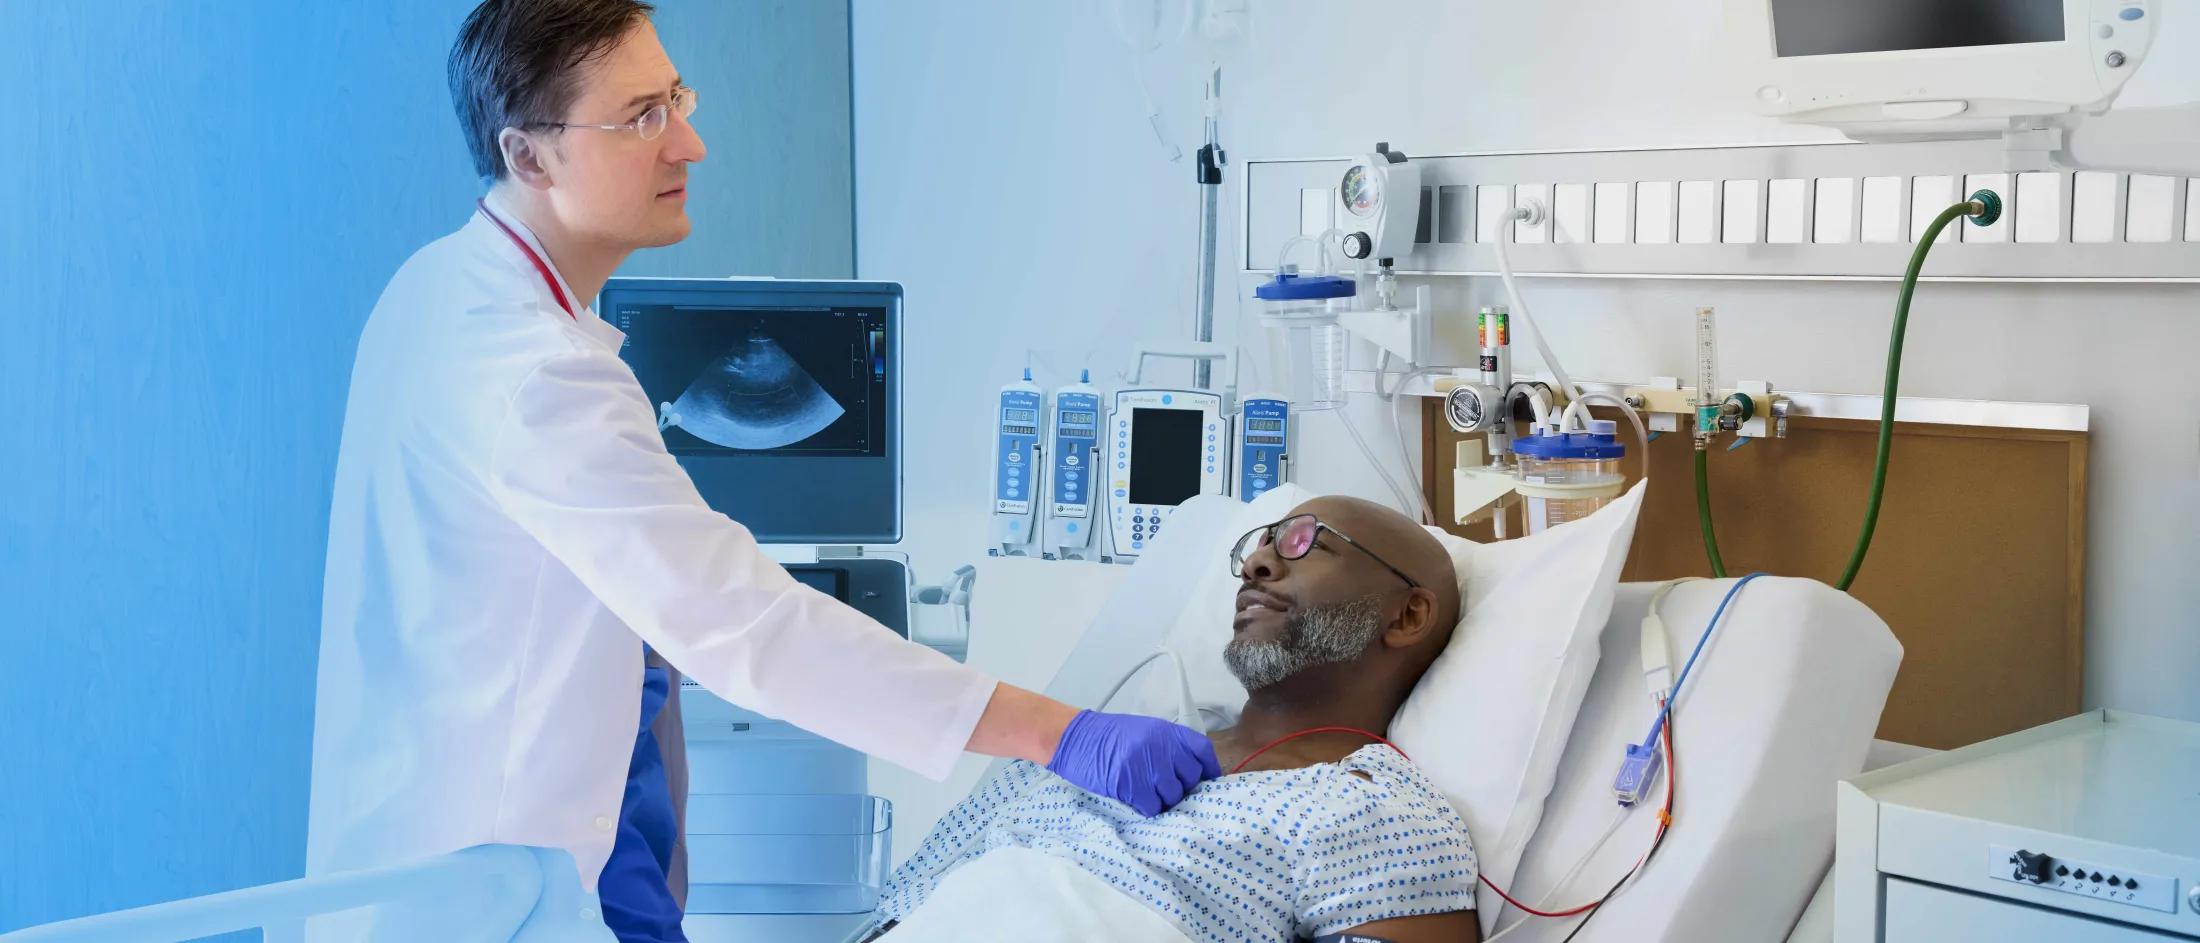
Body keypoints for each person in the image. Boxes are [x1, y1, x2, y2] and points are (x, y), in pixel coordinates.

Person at [303, 2, 1218, 941]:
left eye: (677, 99)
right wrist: (1062, 734)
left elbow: (580, 608)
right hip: (485, 900)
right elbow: (747, 625)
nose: (689, 144)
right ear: (530, 156)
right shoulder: (534, 372)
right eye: (641, 118)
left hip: (458, 863)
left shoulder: (438, 286)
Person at [866, 496, 1483, 943]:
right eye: (1257, 545)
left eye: (1302, 541)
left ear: (1406, 617)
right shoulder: (1082, 751)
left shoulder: (1374, 811)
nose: (1256, 565)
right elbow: (898, 914)